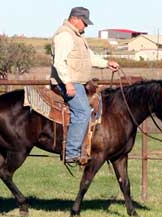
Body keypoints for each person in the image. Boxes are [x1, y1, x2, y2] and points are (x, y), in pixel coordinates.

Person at [51, 6, 119, 164]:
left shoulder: (78, 37)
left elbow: (90, 58)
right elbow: (59, 62)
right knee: (82, 112)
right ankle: (71, 152)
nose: (86, 26)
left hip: (78, 81)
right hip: (67, 81)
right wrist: (68, 83)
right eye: (84, 22)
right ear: (74, 19)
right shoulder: (65, 36)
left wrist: (106, 63)